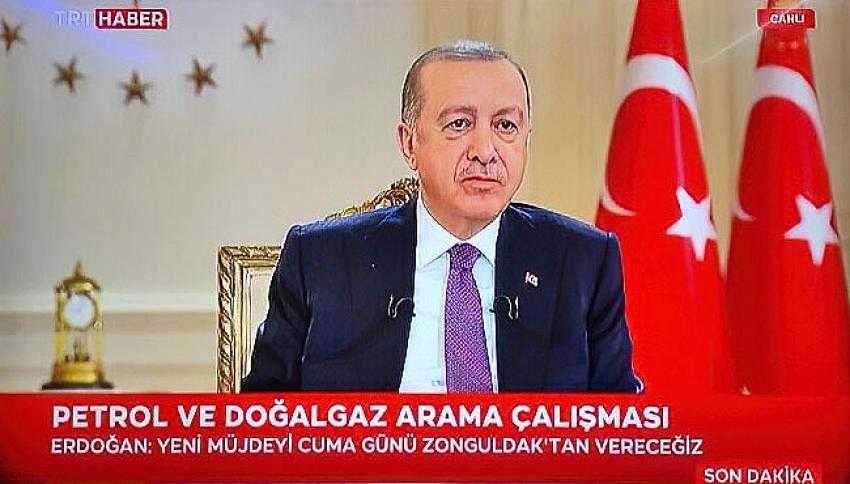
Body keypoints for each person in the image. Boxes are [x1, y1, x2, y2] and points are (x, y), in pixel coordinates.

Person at [242, 40, 642, 393]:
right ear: (409, 143)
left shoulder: (582, 261)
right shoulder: (321, 259)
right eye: (459, 124)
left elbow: (623, 429)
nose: (485, 151)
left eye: (505, 125)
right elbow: (259, 423)